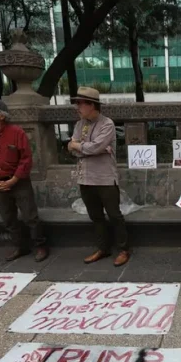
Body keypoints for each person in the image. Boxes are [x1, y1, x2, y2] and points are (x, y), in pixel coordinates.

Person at [0, 97, 49, 262]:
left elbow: (26, 159)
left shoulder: (17, 133)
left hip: (18, 181)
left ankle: (40, 246)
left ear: (2, 116)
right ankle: (20, 246)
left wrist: (14, 179)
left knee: (30, 216)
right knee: (8, 217)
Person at [68, 87, 130, 267]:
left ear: (91, 105)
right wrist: (85, 148)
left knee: (114, 215)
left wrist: (80, 146)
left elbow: (92, 147)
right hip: (85, 178)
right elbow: (74, 150)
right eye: (76, 103)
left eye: (80, 103)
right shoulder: (80, 124)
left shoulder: (107, 124)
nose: (77, 107)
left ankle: (124, 249)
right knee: (95, 215)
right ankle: (103, 248)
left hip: (104, 178)